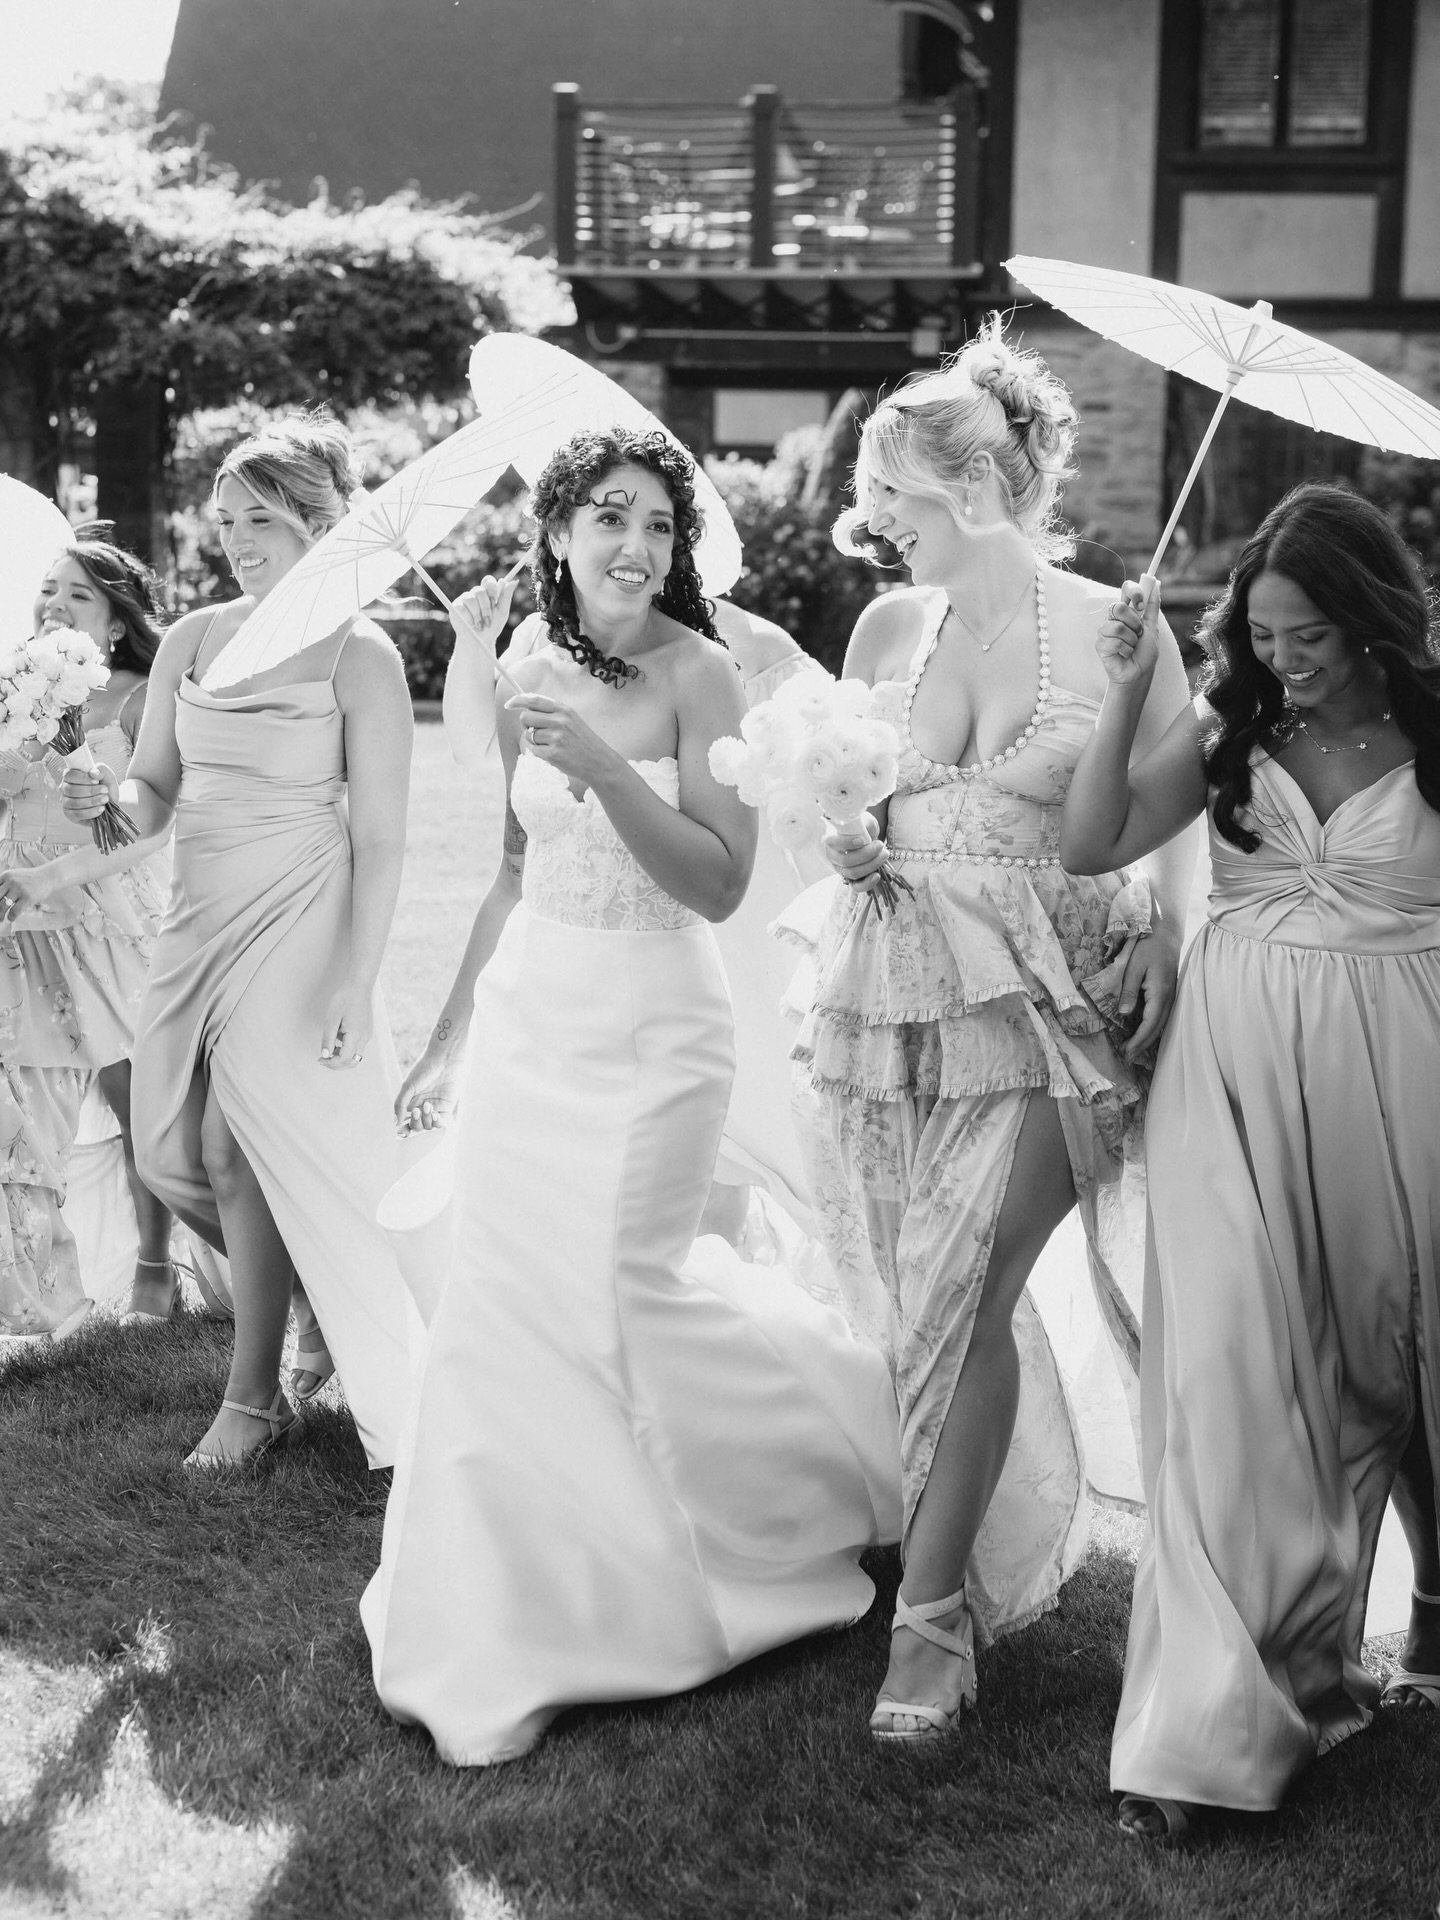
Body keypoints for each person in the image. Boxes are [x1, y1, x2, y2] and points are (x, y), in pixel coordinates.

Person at [361, 426, 900, 1767]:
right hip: (532, 1021)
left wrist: (603, 771)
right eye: (609, 515)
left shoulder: (699, 672)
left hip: (657, 1029)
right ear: (556, 534)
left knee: (621, 1293)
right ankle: (492, 1602)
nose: (636, 545)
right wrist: (449, 1039)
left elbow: (718, 884)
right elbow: (511, 871)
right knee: (502, 1300)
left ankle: (822, 1467)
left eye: (659, 524)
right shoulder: (523, 665)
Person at [794, 317, 1196, 1742]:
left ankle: (929, 1620)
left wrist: (1168, 939)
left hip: (1047, 999)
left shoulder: (1114, 626)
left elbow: (1175, 825)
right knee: (921, 1295)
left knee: (959, 1287)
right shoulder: (886, 629)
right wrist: (849, 840)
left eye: (891, 493)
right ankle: (982, 1539)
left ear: (972, 486)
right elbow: (855, 795)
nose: (873, 519)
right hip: (891, 987)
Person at [1060, 482, 1440, 1836]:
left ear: (1373, 615)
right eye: (1266, 636)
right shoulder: (1233, 725)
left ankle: (1414, 1607)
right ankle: (1206, 1727)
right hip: (1229, 1081)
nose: (1287, 660)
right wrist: (1126, 693)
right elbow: (1092, 840)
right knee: (1226, 1381)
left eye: (1311, 637)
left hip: (1407, 1068)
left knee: (1397, 1358)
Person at [63, 414, 416, 1468]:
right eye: (225, 521)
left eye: (259, 519)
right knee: (167, 1151)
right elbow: (153, 790)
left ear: (318, 522)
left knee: (232, 1145)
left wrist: (357, 977)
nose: (236, 541)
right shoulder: (194, 638)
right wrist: (104, 799)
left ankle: (252, 1400)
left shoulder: (361, 655)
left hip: (300, 915)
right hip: (196, 919)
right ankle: (304, 1297)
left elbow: (383, 837)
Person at [0, 531, 174, 1336]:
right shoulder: (17, 691)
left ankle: (156, 1266)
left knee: (138, 1100)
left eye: (79, 594)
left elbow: (150, 818)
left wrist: (97, 790)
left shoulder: (141, 698)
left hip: (111, 920)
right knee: (25, 1101)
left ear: (115, 622)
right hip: (29, 920)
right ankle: (41, 1285)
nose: (56, 605)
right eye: (50, 589)